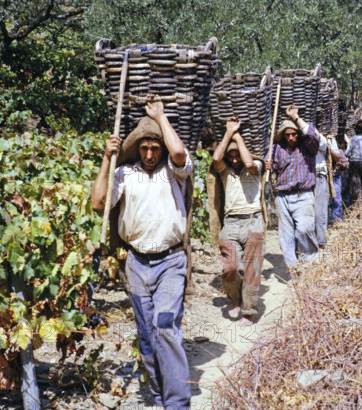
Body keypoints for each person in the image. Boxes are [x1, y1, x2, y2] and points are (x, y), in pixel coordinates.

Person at [91, 98, 192, 410]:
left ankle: (178, 403)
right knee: (147, 336)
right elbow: (98, 204)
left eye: (155, 148)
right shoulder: (125, 173)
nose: (150, 154)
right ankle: (161, 397)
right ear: (137, 150)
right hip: (134, 263)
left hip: (171, 261)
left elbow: (178, 152)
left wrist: (160, 117)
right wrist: (108, 159)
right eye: (145, 148)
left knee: (165, 327)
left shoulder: (175, 171)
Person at [211, 117, 265, 325]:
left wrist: (237, 135)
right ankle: (235, 299)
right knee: (230, 267)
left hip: (253, 222)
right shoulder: (225, 172)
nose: (234, 160)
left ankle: (249, 311)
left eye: (237, 156)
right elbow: (216, 159)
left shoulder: (255, 167)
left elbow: (249, 162)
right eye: (231, 157)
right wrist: (228, 132)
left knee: (252, 268)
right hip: (231, 223)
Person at [265, 104, 321, 268]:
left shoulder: (308, 147)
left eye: (294, 134)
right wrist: (268, 165)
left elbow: (314, 136)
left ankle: (309, 264)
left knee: (304, 230)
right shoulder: (276, 148)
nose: (290, 138)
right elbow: (269, 165)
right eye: (287, 135)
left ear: (298, 134)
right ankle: (293, 268)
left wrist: (295, 117)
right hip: (283, 197)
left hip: (303, 195)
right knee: (286, 235)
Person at [314, 132, 340, 247]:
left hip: (319, 176)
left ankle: (320, 241)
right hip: (304, 178)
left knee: (320, 212)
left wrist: (329, 149)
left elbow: (338, 157)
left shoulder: (327, 139)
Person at [345, 119, 362, 204]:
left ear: (356, 130)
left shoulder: (352, 139)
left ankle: (355, 204)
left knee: (354, 186)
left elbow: (347, 153)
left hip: (353, 164)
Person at [330, 142, 348, 222]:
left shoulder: (340, 152)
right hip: (326, 178)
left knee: (336, 199)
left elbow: (346, 166)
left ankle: (337, 219)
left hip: (336, 177)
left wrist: (340, 164)